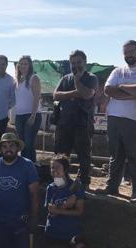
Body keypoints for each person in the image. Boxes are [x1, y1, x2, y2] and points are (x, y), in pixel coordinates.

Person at [96, 40, 136, 199]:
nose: (128, 55)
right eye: (125, 53)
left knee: (135, 156)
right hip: (114, 118)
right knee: (116, 155)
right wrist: (131, 93)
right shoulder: (117, 71)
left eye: (131, 52)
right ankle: (112, 187)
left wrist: (121, 87)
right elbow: (108, 90)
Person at [53, 50, 99, 190]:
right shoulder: (65, 78)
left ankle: (84, 183)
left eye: (78, 62)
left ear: (85, 62)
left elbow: (86, 94)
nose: (75, 65)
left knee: (83, 155)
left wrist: (77, 80)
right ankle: (60, 181)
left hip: (82, 123)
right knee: (61, 155)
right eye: (73, 63)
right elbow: (55, 95)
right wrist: (74, 93)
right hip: (64, 122)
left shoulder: (91, 78)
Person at [44, 155, 85, 248]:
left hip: (69, 236)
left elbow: (79, 211)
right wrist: (66, 206)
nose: (54, 170)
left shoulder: (76, 187)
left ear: (65, 169)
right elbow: (51, 211)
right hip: (51, 235)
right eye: (52, 167)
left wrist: (59, 210)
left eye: (57, 167)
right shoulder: (50, 188)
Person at [15, 55, 42, 163]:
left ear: (30, 65)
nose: (23, 66)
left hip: (30, 115)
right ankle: (23, 167)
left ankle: (31, 168)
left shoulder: (33, 78)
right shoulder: (18, 80)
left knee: (29, 144)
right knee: (22, 144)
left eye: (26, 63)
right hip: (19, 116)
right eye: (21, 63)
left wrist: (33, 115)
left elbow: (36, 97)